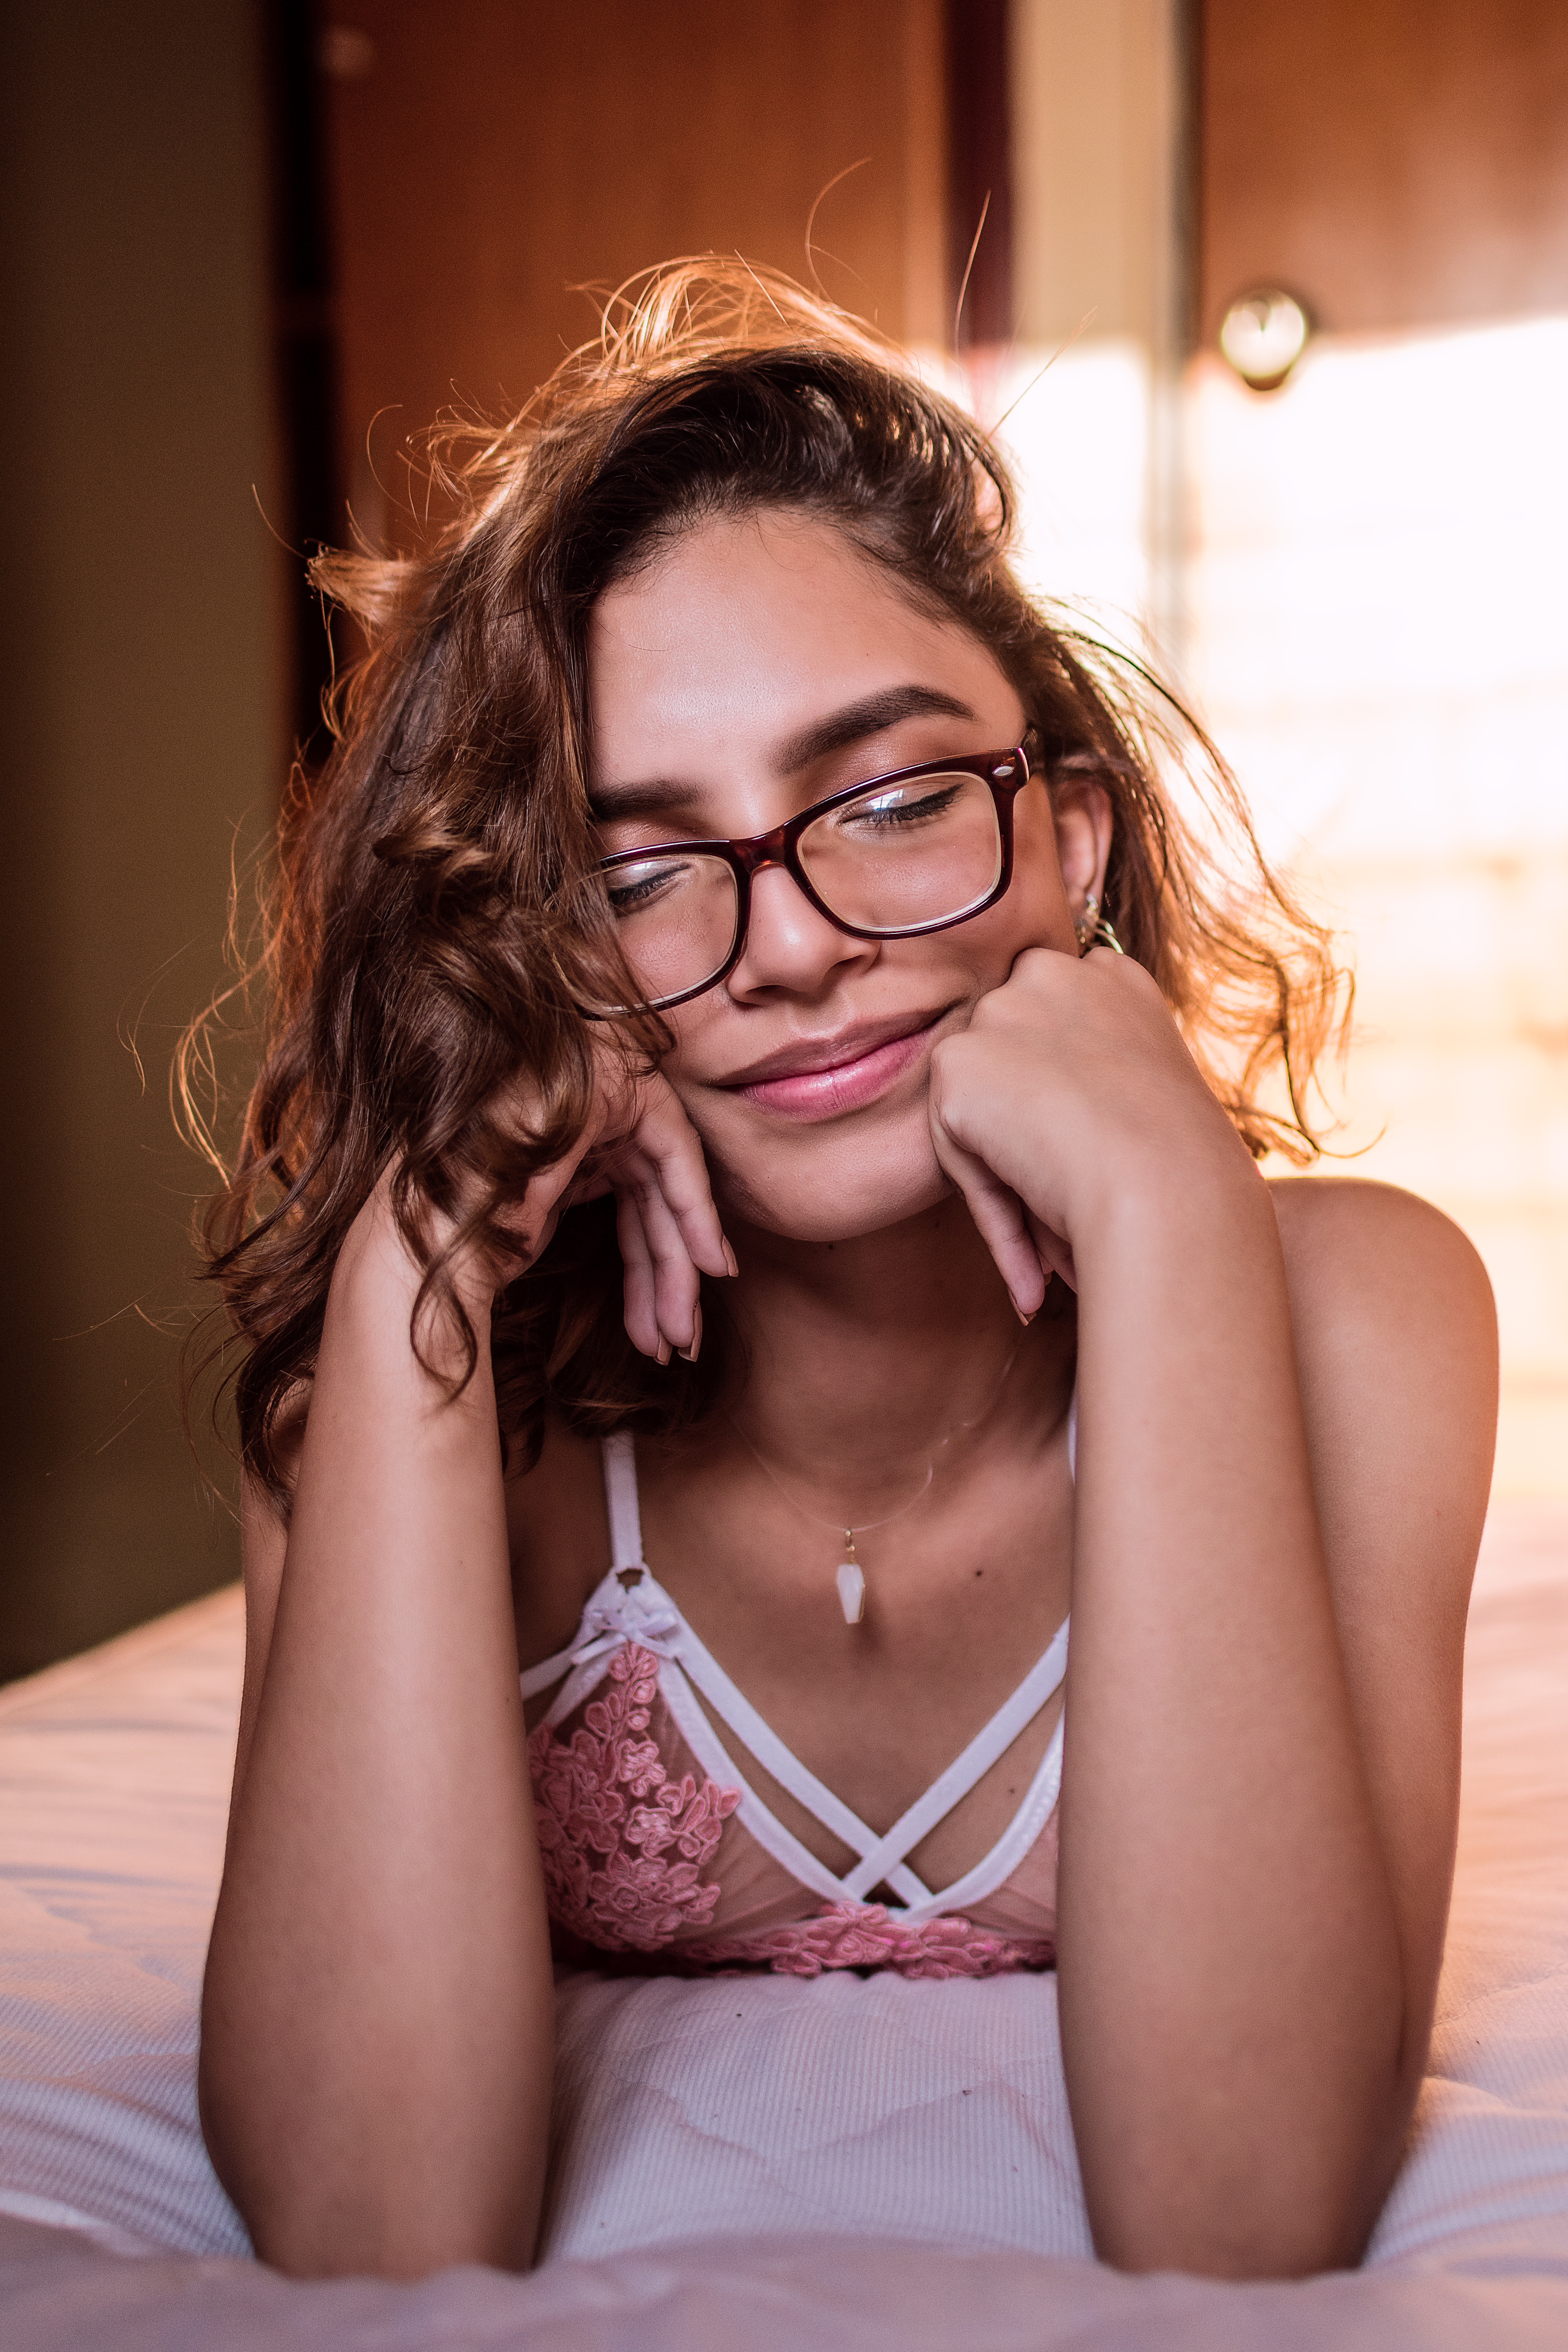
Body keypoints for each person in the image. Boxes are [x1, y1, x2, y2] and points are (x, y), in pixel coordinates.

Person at [191, 263, 1497, 2287]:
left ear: (1068, 838)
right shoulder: (400, 1372)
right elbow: (377, 2233)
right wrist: (419, 1272)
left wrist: (1164, 1214)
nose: (792, 943)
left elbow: (1240, 2222)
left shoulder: (1365, 1310)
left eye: (887, 803)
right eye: (638, 872)